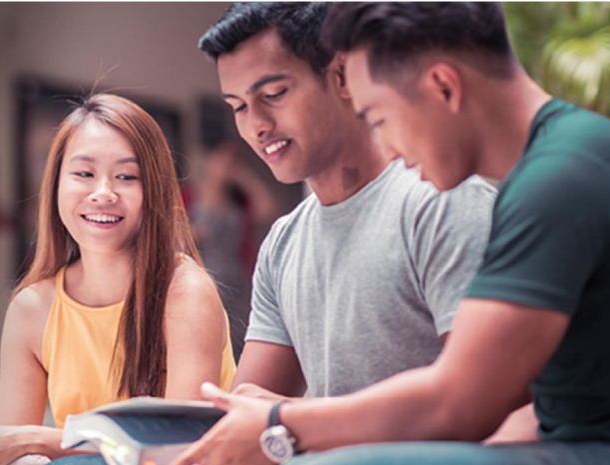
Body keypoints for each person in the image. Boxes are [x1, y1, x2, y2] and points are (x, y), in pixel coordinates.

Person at [171, 2, 610, 465]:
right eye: (238, 107)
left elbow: (465, 404)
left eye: (379, 117)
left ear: (443, 85)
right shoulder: (553, 170)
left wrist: (283, 424)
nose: (394, 151)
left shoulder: (558, 178)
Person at [193, 0, 494, 404]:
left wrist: (291, 419)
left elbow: (483, 401)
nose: (257, 125)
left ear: (342, 75)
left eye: (273, 94)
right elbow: (247, 409)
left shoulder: (442, 203)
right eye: (239, 107)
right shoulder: (284, 244)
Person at [0, 93, 236, 465]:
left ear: (154, 191)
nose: (103, 193)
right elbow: (5, 451)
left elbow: (181, 450)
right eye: (84, 173)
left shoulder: (186, 293)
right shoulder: (32, 309)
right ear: (56, 184)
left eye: (126, 176)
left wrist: (37, 439)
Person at [189, 138, 280, 360]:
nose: (227, 166)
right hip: (204, 280)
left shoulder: (239, 201)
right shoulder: (190, 196)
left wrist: (243, 177)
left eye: (233, 162)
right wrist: (194, 233)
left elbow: (268, 210)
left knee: (241, 342)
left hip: (238, 282)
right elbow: (173, 237)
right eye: (224, 160)